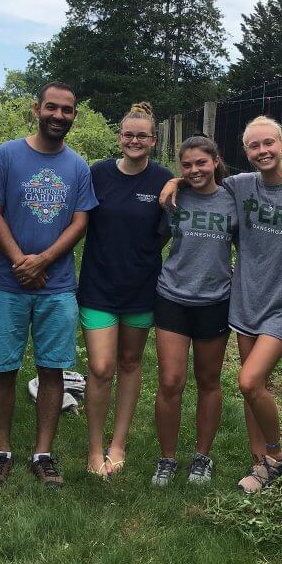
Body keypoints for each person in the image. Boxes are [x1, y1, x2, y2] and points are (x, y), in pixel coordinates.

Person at [160, 115, 282, 494]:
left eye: (268, 143)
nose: (262, 151)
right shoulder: (240, 186)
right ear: (245, 152)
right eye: (254, 145)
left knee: (248, 381)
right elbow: (203, 180)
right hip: (246, 300)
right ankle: (259, 461)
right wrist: (175, 180)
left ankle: (276, 457)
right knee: (253, 387)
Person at [0, 82, 98, 487]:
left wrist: (44, 260)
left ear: (74, 115)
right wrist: (20, 261)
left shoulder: (78, 167)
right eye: (52, 107)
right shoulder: (6, 156)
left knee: (52, 369)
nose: (58, 116)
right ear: (37, 109)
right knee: (3, 367)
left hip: (57, 285)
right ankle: (2, 451)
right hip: (8, 281)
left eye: (67, 110)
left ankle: (42, 454)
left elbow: (81, 221)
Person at [77, 102, 173, 478]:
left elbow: (166, 231)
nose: (134, 141)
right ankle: (94, 447)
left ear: (153, 140)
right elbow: (79, 220)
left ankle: (118, 444)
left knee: (130, 363)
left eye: (142, 136)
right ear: (119, 137)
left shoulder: (163, 179)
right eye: (128, 134)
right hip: (98, 285)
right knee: (101, 367)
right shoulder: (97, 173)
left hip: (141, 286)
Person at [151, 135, 237, 487]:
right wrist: (174, 183)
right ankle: (167, 458)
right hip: (172, 296)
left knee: (208, 381)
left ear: (216, 161)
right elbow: (156, 239)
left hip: (214, 300)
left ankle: (202, 457)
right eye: (186, 165)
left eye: (201, 162)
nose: (194, 170)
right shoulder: (173, 197)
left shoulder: (233, 200)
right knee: (170, 381)